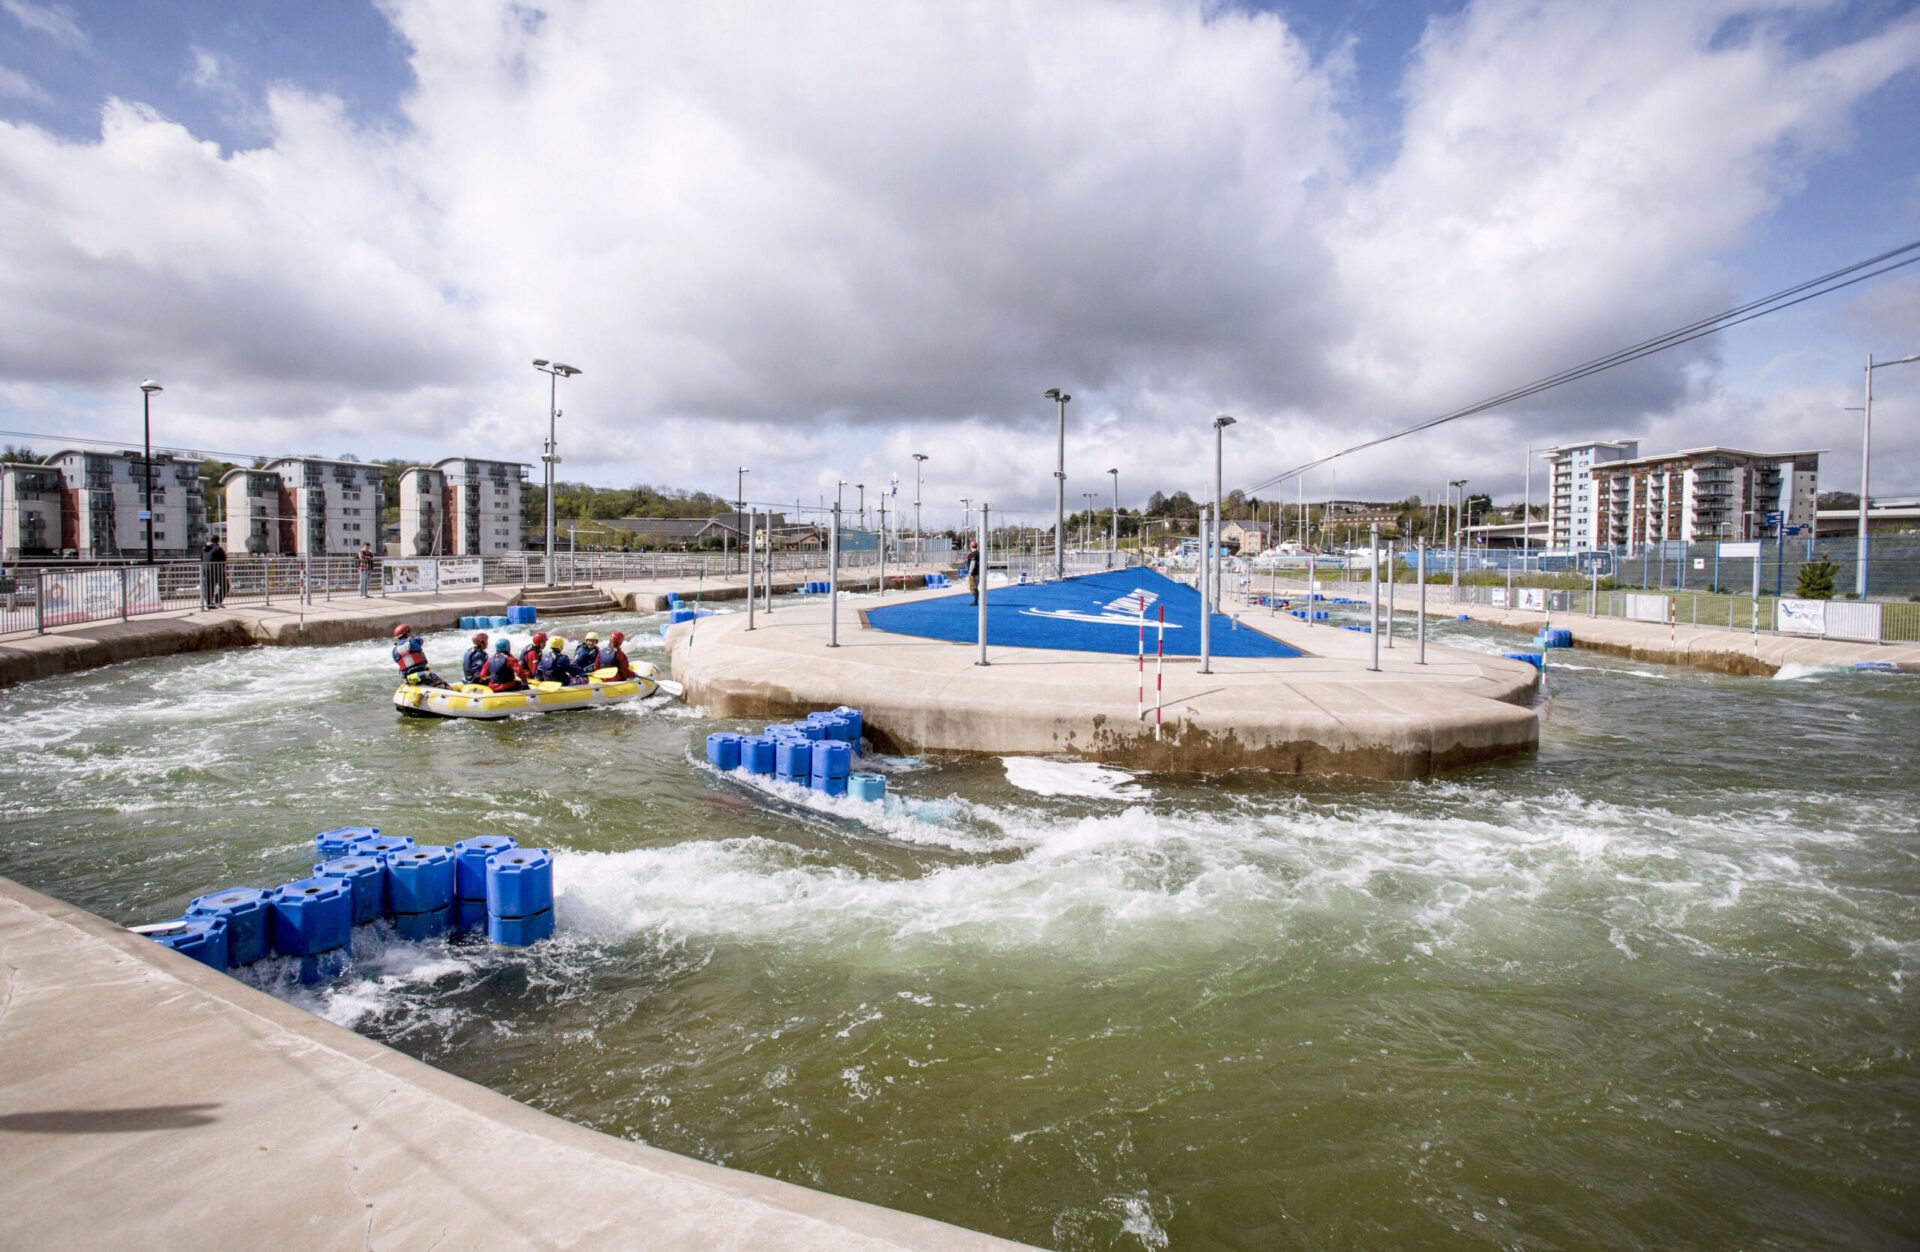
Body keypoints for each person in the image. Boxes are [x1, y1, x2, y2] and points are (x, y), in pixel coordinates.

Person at [963, 540, 981, 605]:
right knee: (975, 587)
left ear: (971, 546)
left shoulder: (973, 554)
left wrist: (970, 572)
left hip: (974, 573)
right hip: (979, 572)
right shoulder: (979, 553)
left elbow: (972, 564)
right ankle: (976, 600)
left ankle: (975, 601)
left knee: (974, 587)